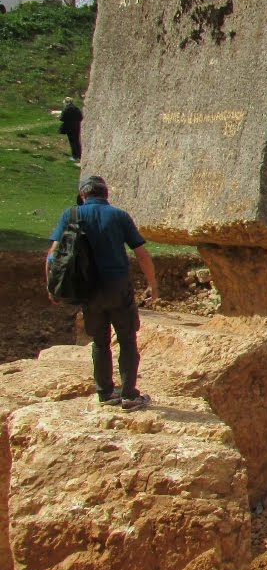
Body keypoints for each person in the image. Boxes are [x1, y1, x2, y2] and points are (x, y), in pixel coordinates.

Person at [46, 175, 158, 409]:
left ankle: (105, 393)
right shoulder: (119, 216)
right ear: (106, 194)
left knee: (99, 341)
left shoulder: (71, 215)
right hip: (117, 286)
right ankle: (129, 395)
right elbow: (142, 253)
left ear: (83, 195)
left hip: (88, 289)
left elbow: (52, 255)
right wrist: (152, 285)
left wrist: (52, 287)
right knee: (127, 340)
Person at [52, 97, 83, 162]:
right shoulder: (76, 108)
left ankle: (74, 156)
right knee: (77, 141)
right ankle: (80, 155)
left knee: (72, 142)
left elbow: (62, 118)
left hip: (69, 126)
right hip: (77, 126)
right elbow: (81, 117)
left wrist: (60, 117)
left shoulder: (66, 109)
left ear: (66, 102)